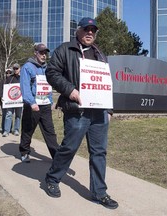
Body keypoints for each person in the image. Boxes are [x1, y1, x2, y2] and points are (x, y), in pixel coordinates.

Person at [44, 17, 118, 209]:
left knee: (99, 152)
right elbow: (51, 73)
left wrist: (109, 109)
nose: (90, 33)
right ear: (78, 31)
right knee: (69, 148)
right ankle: (52, 178)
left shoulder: (100, 55)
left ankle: (99, 192)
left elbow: (106, 84)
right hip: (77, 112)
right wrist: (70, 90)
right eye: (86, 29)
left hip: (99, 113)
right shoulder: (65, 50)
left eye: (93, 30)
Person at [19, 43, 59, 162]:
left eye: (45, 53)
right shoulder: (27, 67)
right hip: (32, 105)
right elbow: (25, 87)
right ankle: (24, 152)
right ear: (35, 53)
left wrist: (51, 101)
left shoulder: (47, 68)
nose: (44, 55)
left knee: (50, 132)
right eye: (41, 52)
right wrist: (31, 103)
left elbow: (48, 86)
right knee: (28, 130)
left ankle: (56, 157)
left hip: (45, 105)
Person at [2, 63, 23, 137]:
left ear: (20, 68)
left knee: (18, 115)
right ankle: (6, 131)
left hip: (19, 101)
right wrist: (3, 97)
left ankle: (16, 130)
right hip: (10, 101)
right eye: (14, 69)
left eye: (17, 68)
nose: (15, 70)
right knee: (9, 115)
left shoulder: (23, 77)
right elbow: (5, 89)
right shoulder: (10, 78)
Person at [0, 68, 12, 134]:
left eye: (10, 73)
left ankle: (9, 128)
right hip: (3, 101)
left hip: (11, 101)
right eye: (7, 73)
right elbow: (0, 90)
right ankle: (4, 129)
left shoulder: (13, 81)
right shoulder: (3, 81)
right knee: (4, 115)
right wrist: (1, 97)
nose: (8, 74)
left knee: (10, 114)